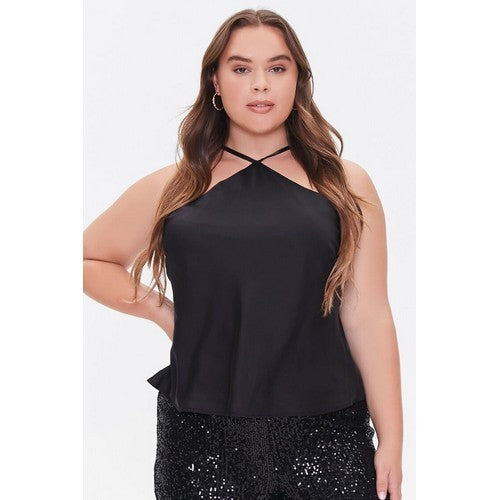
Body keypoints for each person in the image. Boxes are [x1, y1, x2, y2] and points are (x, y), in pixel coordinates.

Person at [83, 8, 403, 500]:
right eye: (240, 68)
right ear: (215, 80)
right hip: (202, 436)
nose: (260, 84)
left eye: (277, 68)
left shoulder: (345, 184)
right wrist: (164, 312)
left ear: (299, 80)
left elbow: (369, 316)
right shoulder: (175, 186)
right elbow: (87, 259)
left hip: (328, 435)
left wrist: (392, 440)